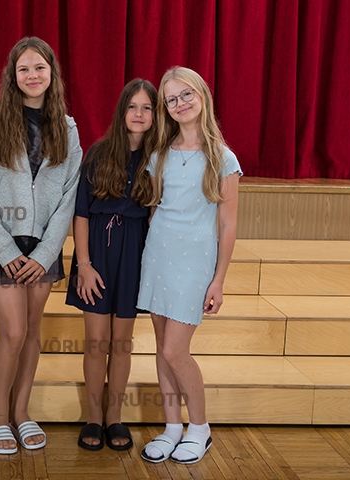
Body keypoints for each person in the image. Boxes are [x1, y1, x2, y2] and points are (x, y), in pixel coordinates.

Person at [0, 36, 82, 455]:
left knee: (32, 331)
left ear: (51, 73)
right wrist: (7, 252)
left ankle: (21, 412)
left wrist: (46, 252)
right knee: (13, 331)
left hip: (44, 246)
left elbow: (69, 196)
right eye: (24, 69)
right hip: (2, 241)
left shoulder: (67, 127)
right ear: (12, 75)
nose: (32, 75)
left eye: (39, 68)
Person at [138, 66, 242, 465]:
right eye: (171, 99)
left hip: (195, 261)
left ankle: (199, 428)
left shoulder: (222, 158)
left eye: (186, 95)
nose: (180, 103)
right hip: (158, 256)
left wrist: (219, 279)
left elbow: (227, 223)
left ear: (202, 96)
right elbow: (156, 209)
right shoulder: (159, 154)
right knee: (162, 350)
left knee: (175, 349)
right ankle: (171, 427)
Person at [65, 79, 157, 451]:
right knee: (96, 341)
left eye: (147, 108)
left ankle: (114, 417)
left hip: (135, 254)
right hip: (97, 254)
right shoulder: (99, 153)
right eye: (132, 106)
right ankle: (92, 416)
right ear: (122, 111)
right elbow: (81, 214)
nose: (139, 114)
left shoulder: (158, 159)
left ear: (156, 115)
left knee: (121, 343)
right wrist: (84, 265)